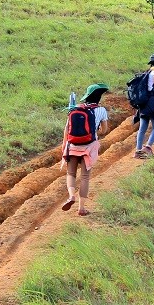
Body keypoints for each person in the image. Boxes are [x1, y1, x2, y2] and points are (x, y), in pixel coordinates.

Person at [61, 83, 109, 216]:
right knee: (85, 177)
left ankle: (71, 196)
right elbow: (104, 130)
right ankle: (81, 208)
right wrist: (97, 130)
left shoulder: (75, 108)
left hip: (73, 145)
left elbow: (67, 129)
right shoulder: (101, 110)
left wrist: (65, 145)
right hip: (89, 147)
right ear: (98, 98)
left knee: (71, 174)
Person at [134, 53, 154, 159]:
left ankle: (138, 151)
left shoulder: (148, 71)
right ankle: (148, 147)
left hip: (143, 102)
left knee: (142, 128)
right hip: (151, 101)